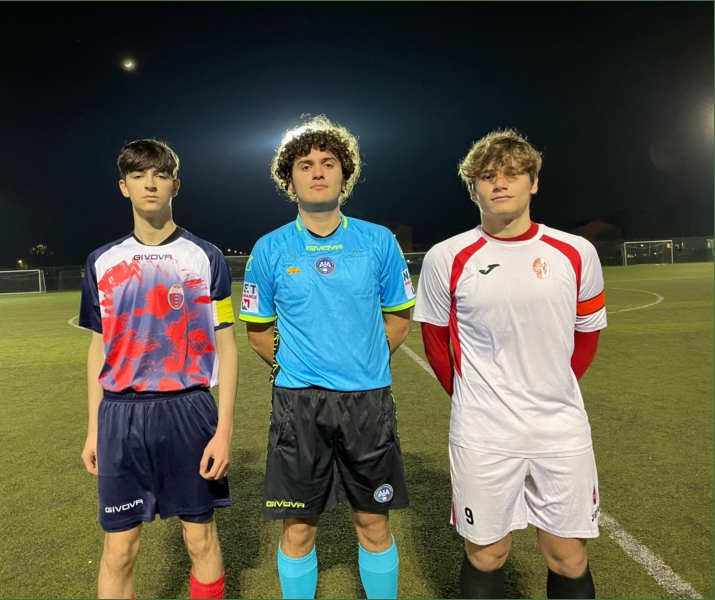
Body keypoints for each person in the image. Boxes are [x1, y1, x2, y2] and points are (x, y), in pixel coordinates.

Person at [413, 129, 606, 599]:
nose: (500, 183)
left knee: (568, 556)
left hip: (560, 429)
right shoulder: (446, 257)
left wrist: (552, 387)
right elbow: (436, 343)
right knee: (487, 554)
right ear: (473, 189)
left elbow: (587, 336)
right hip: (484, 432)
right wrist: (474, 400)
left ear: (533, 182)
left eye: (513, 174)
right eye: (487, 176)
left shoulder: (576, 252)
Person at [239, 116, 416, 599]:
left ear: (345, 175)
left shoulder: (378, 241)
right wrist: (301, 367)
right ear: (289, 180)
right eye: (305, 165)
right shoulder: (270, 248)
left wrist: (360, 362)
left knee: (373, 521)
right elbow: (258, 333)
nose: (317, 172)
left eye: (328, 163)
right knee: (298, 528)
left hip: (367, 402)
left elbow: (399, 321)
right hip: (299, 405)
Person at [78, 139, 237, 599]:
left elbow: (226, 347)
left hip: (188, 410)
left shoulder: (206, 256)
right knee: (119, 550)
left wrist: (224, 431)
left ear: (175, 186)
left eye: (160, 175)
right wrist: (93, 429)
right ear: (123, 186)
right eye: (139, 175)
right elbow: (98, 348)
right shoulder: (102, 261)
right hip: (120, 415)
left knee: (200, 539)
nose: (150, 183)